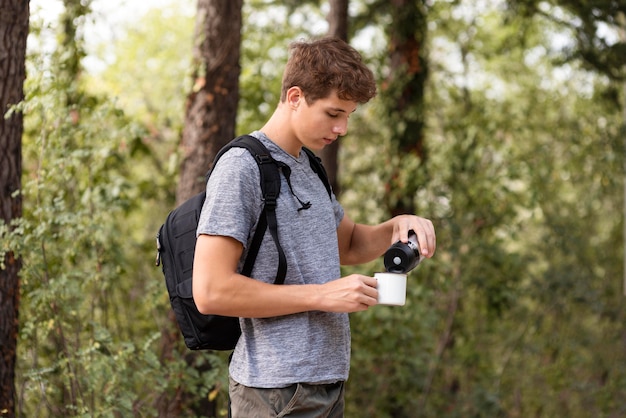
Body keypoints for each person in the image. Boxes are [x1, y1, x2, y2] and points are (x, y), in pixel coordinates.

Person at [192, 37, 436, 417]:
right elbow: (210, 290)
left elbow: (349, 244)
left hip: (325, 386)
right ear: (294, 97)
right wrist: (321, 295)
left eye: (349, 116)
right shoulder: (241, 168)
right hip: (274, 392)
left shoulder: (308, 165)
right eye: (333, 113)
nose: (342, 128)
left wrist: (395, 227)